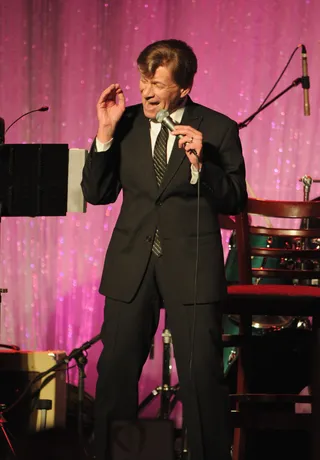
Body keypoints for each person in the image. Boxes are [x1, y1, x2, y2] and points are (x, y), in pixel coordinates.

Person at [81, 39, 247, 460]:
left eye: (157, 84)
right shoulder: (127, 123)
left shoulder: (218, 128)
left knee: (201, 377)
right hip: (130, 264)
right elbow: (97, 193)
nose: (147, 92)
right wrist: (103, 134)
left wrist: (200, 166)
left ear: (184, 88)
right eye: (143, 80)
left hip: (190, 264)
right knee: (115, 374)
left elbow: (235, 199)